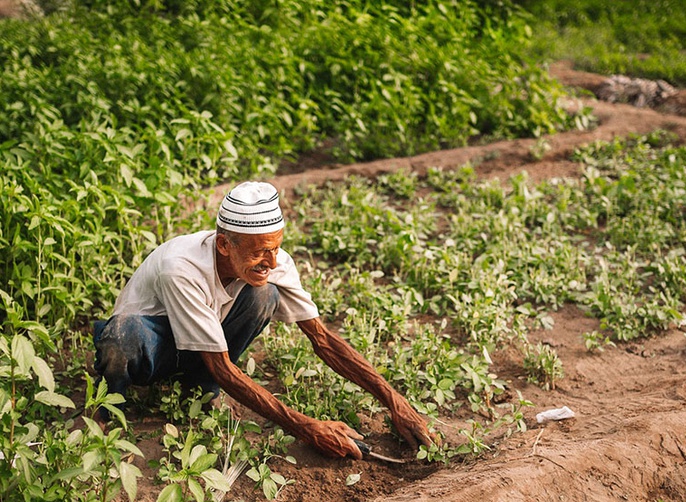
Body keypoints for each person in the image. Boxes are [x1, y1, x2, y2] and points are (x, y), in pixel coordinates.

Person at [93, 181, 433, 459]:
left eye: (275, 248)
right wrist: (306, 427)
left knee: (264, 293)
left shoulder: (272, 260)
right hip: (153, 342)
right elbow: (222, 366)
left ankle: (197, 390)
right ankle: (106, 411)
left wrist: (394, 400)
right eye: (259, 252)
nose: (271, 261)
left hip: (199, 344)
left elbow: (323, 339)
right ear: (224, 244)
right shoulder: (181, 270)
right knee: (122, 337)